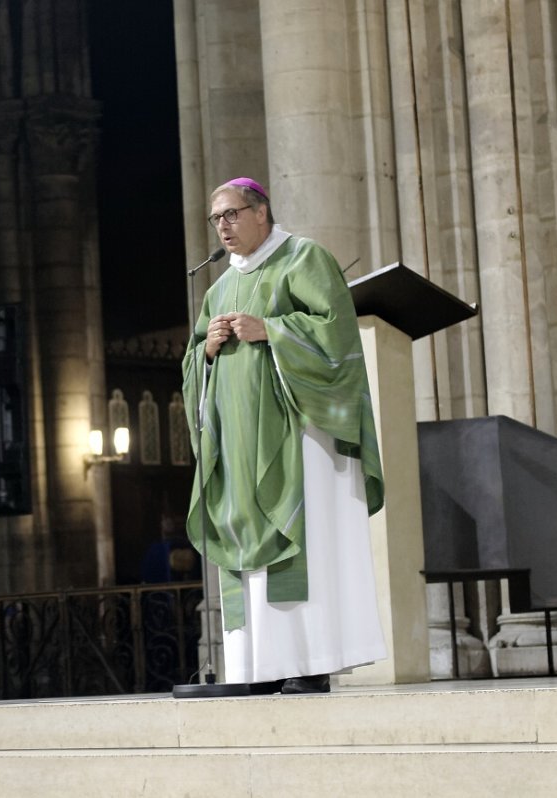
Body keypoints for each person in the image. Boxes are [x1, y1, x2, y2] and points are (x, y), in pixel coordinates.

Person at [181, 177, 387, 694]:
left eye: (231, 214)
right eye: (216, 219)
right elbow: (190, 365)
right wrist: (206, 350)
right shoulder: (220, 288)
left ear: (261, 212)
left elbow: (337, 332)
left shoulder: (303, 258)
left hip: (298, 438)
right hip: (239, 449)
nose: (223, 226)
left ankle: (309, 663)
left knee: (301, 546)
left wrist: (272, 330)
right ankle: (259, 666)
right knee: (249, 553)